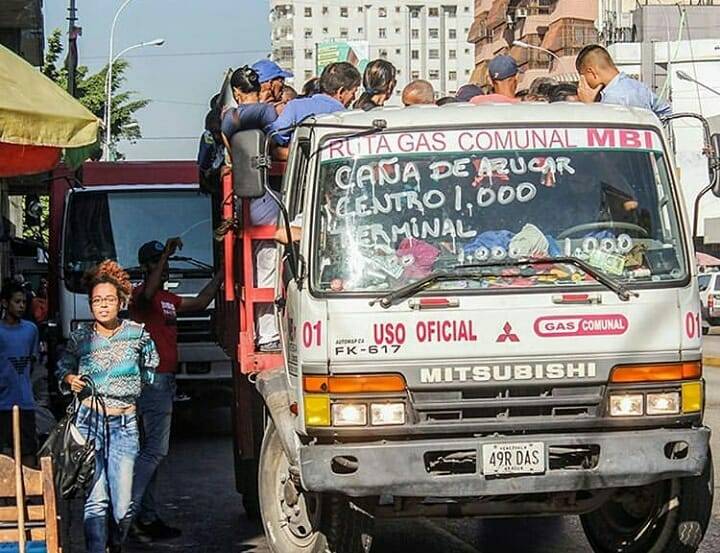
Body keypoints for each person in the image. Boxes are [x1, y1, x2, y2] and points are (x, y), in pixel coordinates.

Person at [56, 261, 158, 553]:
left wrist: (130, 390)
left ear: (121, 302)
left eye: (109, 300)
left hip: (125, 427)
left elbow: (151, 368)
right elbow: (62, 366)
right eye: (97, 301)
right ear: (90, 306)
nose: (103, 306)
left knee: (123, 505)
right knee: (96, 498)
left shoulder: (138, 334)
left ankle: (116, 543)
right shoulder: (81, 337)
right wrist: (70, 377)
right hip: (89, 422)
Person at [128, 239, 223, 541]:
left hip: (165, 379)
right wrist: (165, 254)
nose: (165, 265)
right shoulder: (140, 297)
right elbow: (147, 292)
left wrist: (222, 275)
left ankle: (147, 516)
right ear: (146, 267)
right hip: (150, 380)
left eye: (165, 260)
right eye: (158, 261)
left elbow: (200, 302)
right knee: (155, 450)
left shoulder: (168, 299)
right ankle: (126, 512)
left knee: (149, 454)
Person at [221, 65, 282, 352]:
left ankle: (270, 330)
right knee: (270, 262)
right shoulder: (264, 113)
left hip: (246, 197)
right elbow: (281, 145)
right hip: (264, 197)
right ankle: (269, 333)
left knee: (265, 265)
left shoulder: (227, 119)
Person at [269, 61, 361, 155]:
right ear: (341, 92)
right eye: (353, 92)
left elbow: (273, 137)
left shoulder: (295, 107)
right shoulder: (349, 118)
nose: (354, 98)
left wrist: (289, 153)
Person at [0, 282, 39, 466]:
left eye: (24, 302)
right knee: (5, 451)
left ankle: (27, 493)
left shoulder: (30, 330)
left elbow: (32, 362)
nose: (21, 306)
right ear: (5, 303)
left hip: (25, 400)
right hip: (2, 402)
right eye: (17, 302)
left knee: (28, 448)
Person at [576, 44, 672, 118]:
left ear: (591, 72)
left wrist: (588, 106)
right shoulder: (639, 87)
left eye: (583, 77)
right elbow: (665, 111)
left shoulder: (612, 98)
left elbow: (603, 130)